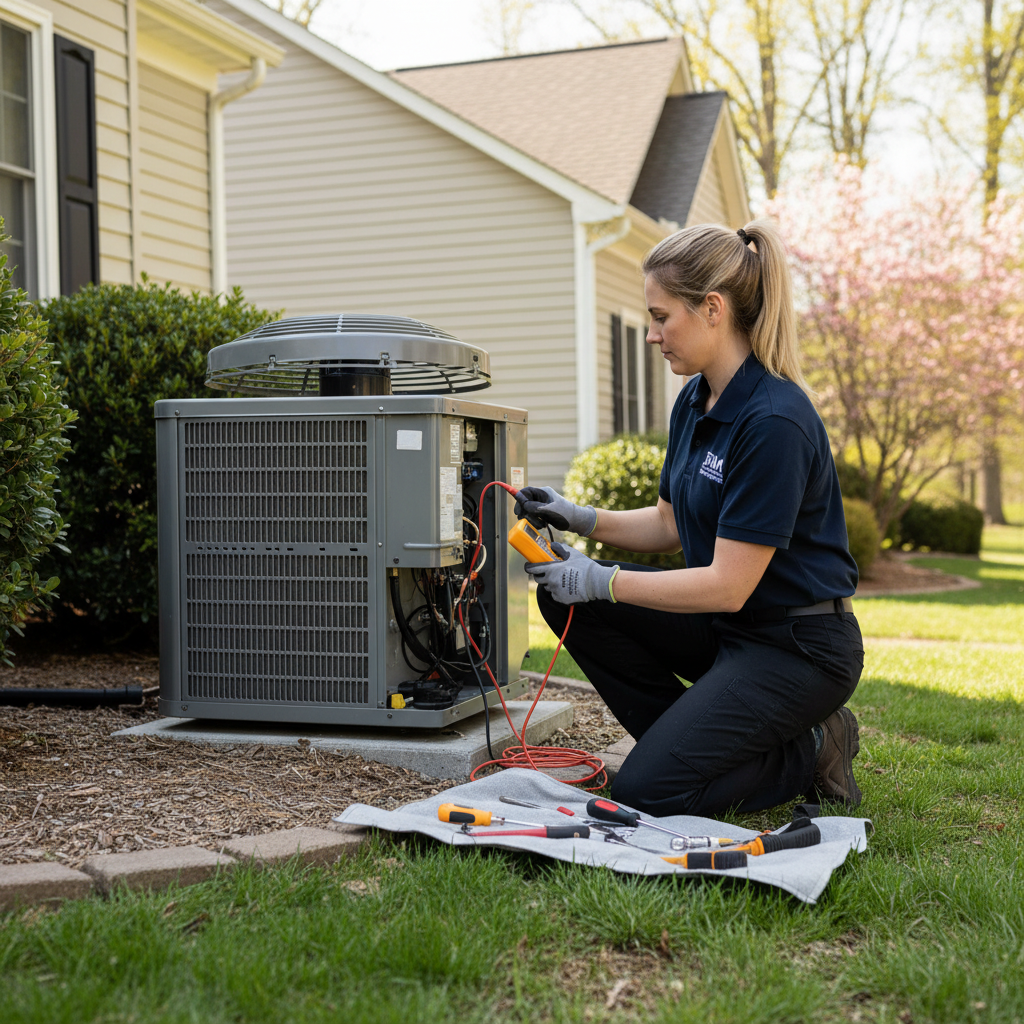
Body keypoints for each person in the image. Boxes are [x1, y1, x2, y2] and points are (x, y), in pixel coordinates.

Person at [519, 220, 864, 818]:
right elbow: (669, 524)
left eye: (660, 316)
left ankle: (811, 745)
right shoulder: (695, 399)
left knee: (647, 793)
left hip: (797, 648)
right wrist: (577, 518)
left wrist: (601, 577)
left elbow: (728, 586)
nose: (652, 335)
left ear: (712, 309)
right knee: (567, 598)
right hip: (730, 630)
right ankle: (683, 747)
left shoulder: (774, 421)